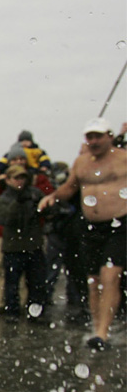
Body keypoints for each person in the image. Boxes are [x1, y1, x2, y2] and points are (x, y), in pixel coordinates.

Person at [39, 118, 127, 349]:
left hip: (119, 224)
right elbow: (70, 187)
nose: (94, 141)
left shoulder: (123, 158)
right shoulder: (81, 162)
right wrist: (52, 197)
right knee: (93, 281)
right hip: (91, 226)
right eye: (90, 137)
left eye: (99, 136)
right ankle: (96, 328)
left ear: (110, 136)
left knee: (110, 276)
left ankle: (103, 332)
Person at [0, 164, 49, 322]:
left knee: (37, 283)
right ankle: (12, 311)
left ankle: (36, 313)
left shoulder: (34, 193)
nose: (20, 181)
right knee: (12, 283)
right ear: (8, 180)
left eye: (22, 177)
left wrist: (44, 206)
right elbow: (2, 219)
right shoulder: (3, 199)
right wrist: (17, 203)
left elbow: (47, 212)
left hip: (33, 245)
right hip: (13, 247)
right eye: (16, 178)